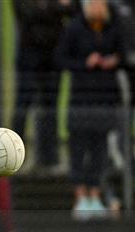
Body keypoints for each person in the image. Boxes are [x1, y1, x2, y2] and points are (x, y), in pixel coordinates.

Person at [56, 0, 124, 220]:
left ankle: (95, 195)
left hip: (104, 98)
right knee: (78, 149)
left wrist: (113, 60)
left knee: (99, 150)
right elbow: (60, 58)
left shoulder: (112, 28)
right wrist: (85, 62)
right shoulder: (74, 28)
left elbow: (123, 53)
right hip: (81, 99)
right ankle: (80, 197)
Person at [12, 0, 76, 171]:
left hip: (53, 54)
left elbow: (73, 9)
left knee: (51, 107)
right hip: (29, 54)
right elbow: (27, 11)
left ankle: (49, 157)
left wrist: (47, 7)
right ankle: (13, 154)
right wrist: (57, 7)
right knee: (23, 105)